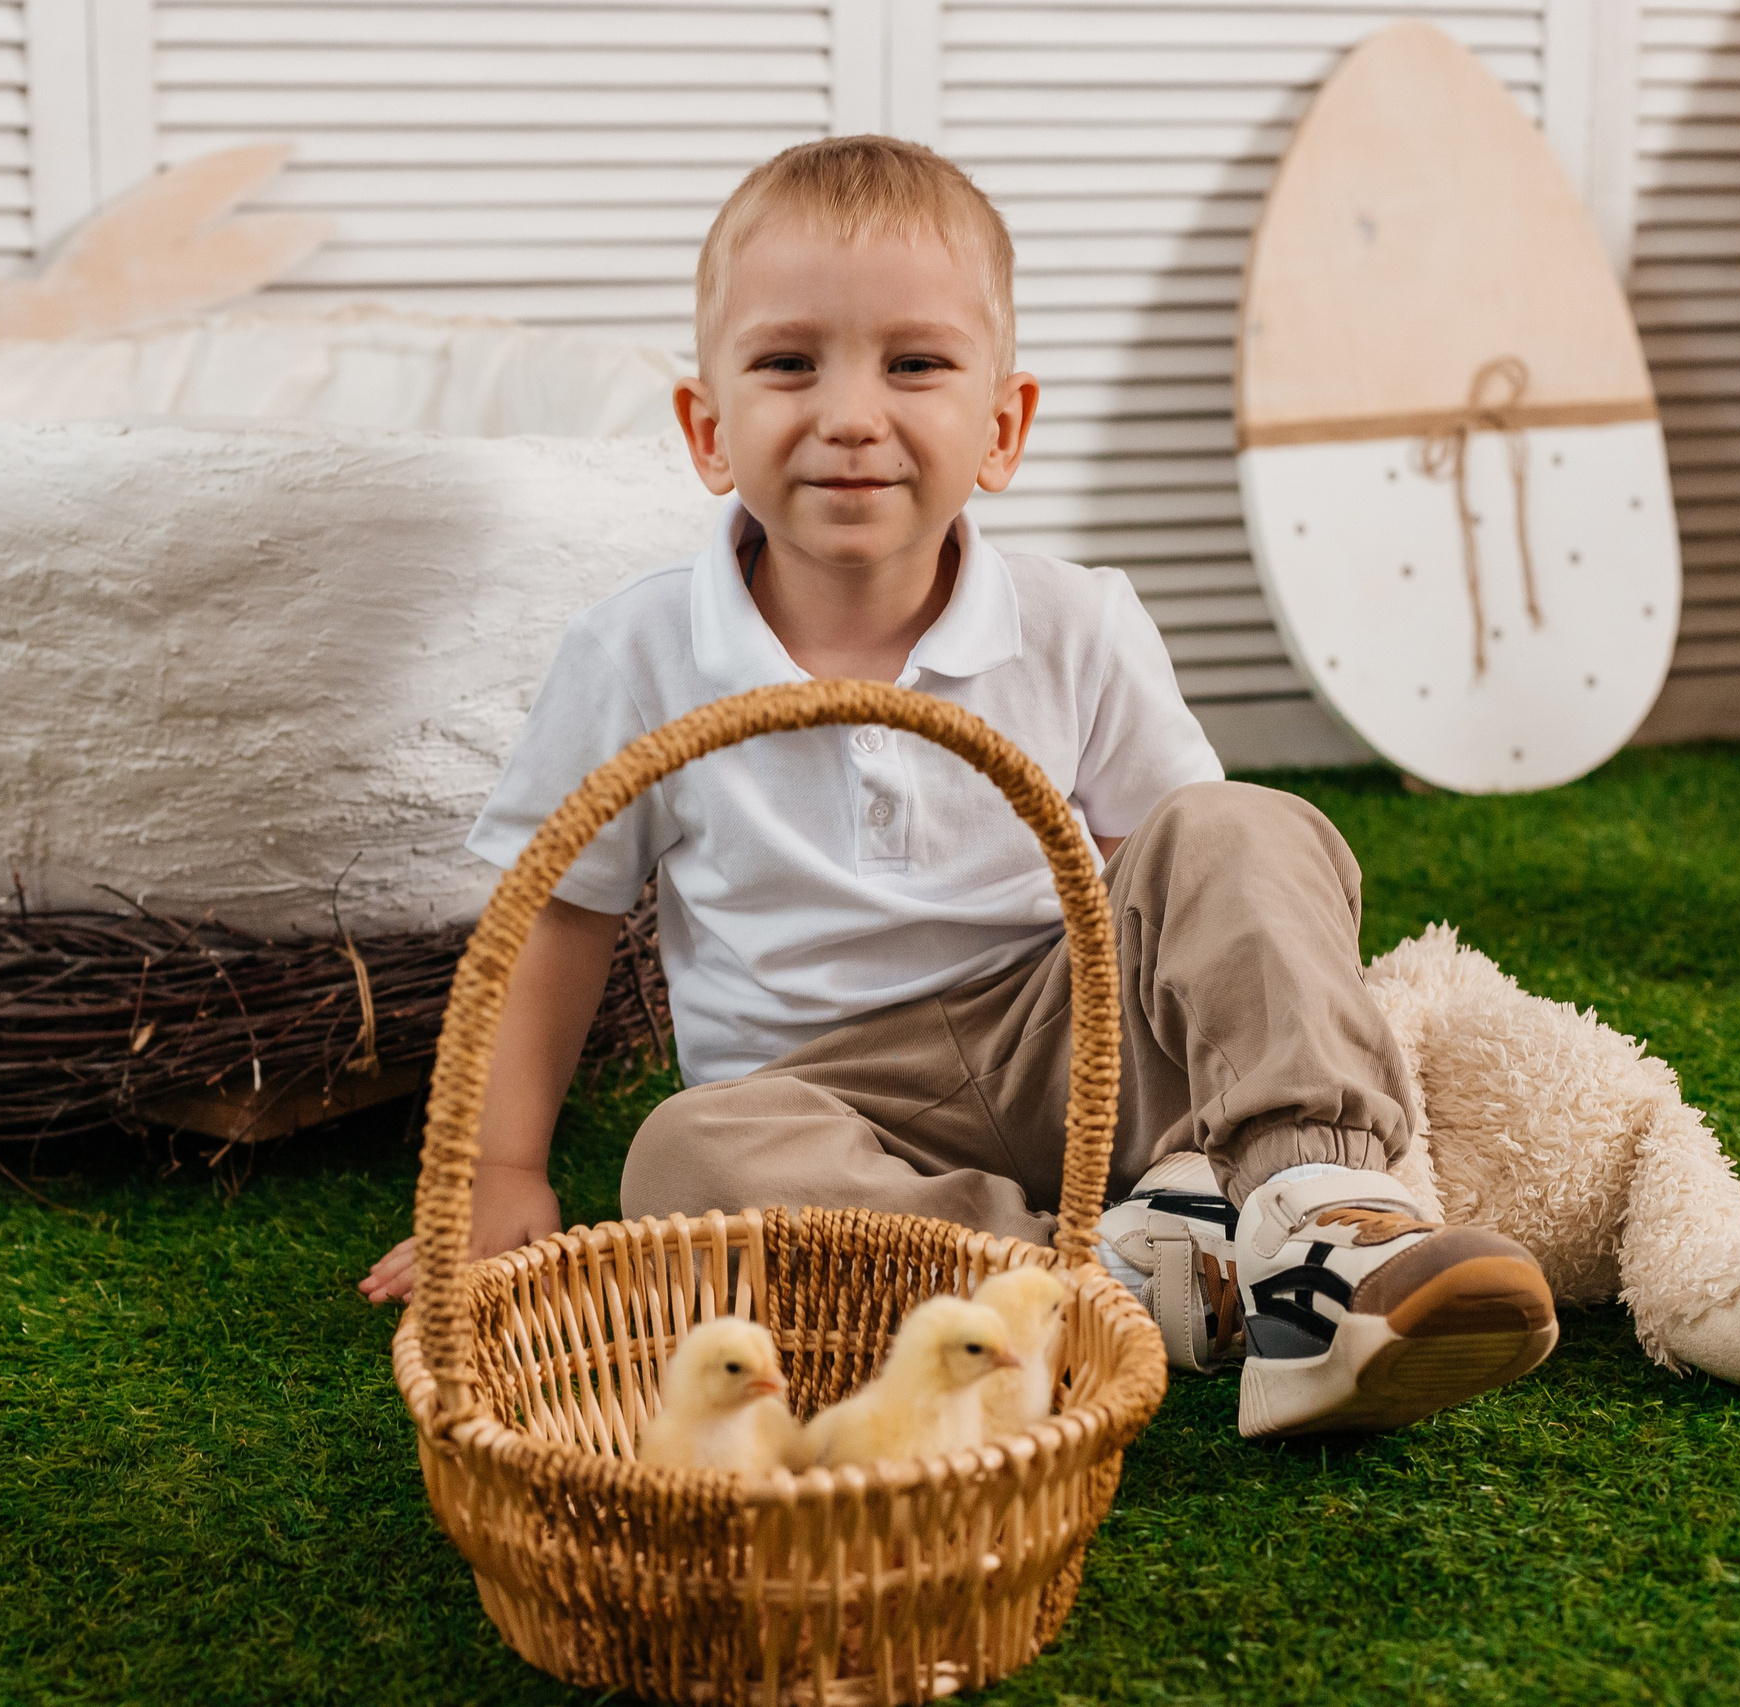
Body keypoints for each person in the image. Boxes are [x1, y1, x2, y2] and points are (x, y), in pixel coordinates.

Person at [360, 136, 1556, 1438]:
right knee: (683, 1160)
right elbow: (561, 913)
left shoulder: (1079, 624)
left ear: (1002, 428)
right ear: (707, 431)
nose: (852, 413)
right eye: (788, 363)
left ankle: (1324, 1216)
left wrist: (1187, 1026)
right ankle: (1118, 1278)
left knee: (1238, 824)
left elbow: (1175, 881)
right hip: (822, 1095)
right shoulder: (635, 652)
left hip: (1068, 1035)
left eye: (914, 364)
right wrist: (501, 1168)